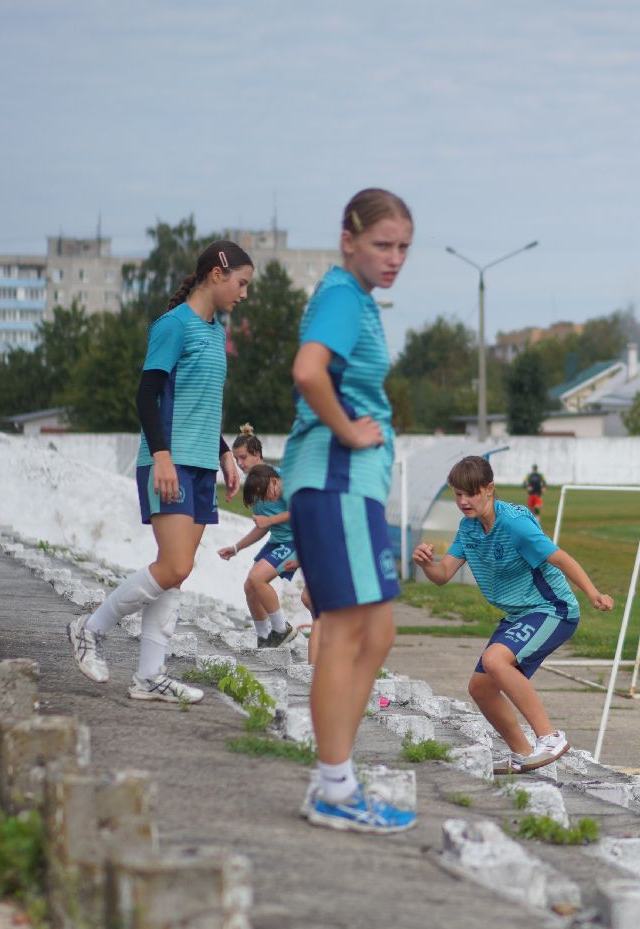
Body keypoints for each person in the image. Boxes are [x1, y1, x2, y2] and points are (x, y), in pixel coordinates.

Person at [67, 240, 253, 702]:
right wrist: (163, 456)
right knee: (174, 565)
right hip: (167, 463)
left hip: (200, 465)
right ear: (217, 273)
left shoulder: (213, 331)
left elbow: (199, 404)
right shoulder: (173, 327)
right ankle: (89, 628)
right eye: (242, 283)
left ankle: (149, 676)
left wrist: (226, 453)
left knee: (176, 574)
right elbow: (147, 396)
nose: (244, 294)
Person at [286, 188, 414, 835]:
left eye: (403, 249)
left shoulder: (356, 298)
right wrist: (347, 430)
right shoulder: (341, 296)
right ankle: (334, 785)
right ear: (349, 239)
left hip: (344, 487)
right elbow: (308, 371)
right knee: (348, 633)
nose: (394, 259)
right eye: (382, 245)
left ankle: (334, 778)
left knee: (376, 633)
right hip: (336, 480)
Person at [412, 455, 612, 774]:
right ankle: (523, 753)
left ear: (489, 489)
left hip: (552, 609)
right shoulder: (469, 529)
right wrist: (426, 564)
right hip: (519, 614)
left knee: (495, 660)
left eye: (470, 493)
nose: (463, 501)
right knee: (480, 687)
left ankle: (550, 737)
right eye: (457, 494)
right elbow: (443, 574)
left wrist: (593, 593)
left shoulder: (515, 523)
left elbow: (560, 558)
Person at [217, 463, 300, 649]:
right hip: (276, 540)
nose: (240, 463)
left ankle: (281, 629)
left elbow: (302, 512)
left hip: (295, 541)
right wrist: (237, 547)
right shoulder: (259, 485)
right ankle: (264, 639)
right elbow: (262, 527)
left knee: (257, 578)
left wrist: (270, 520)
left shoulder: (288, 482)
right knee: (250, 586)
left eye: (244, 457)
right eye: (237, 458)